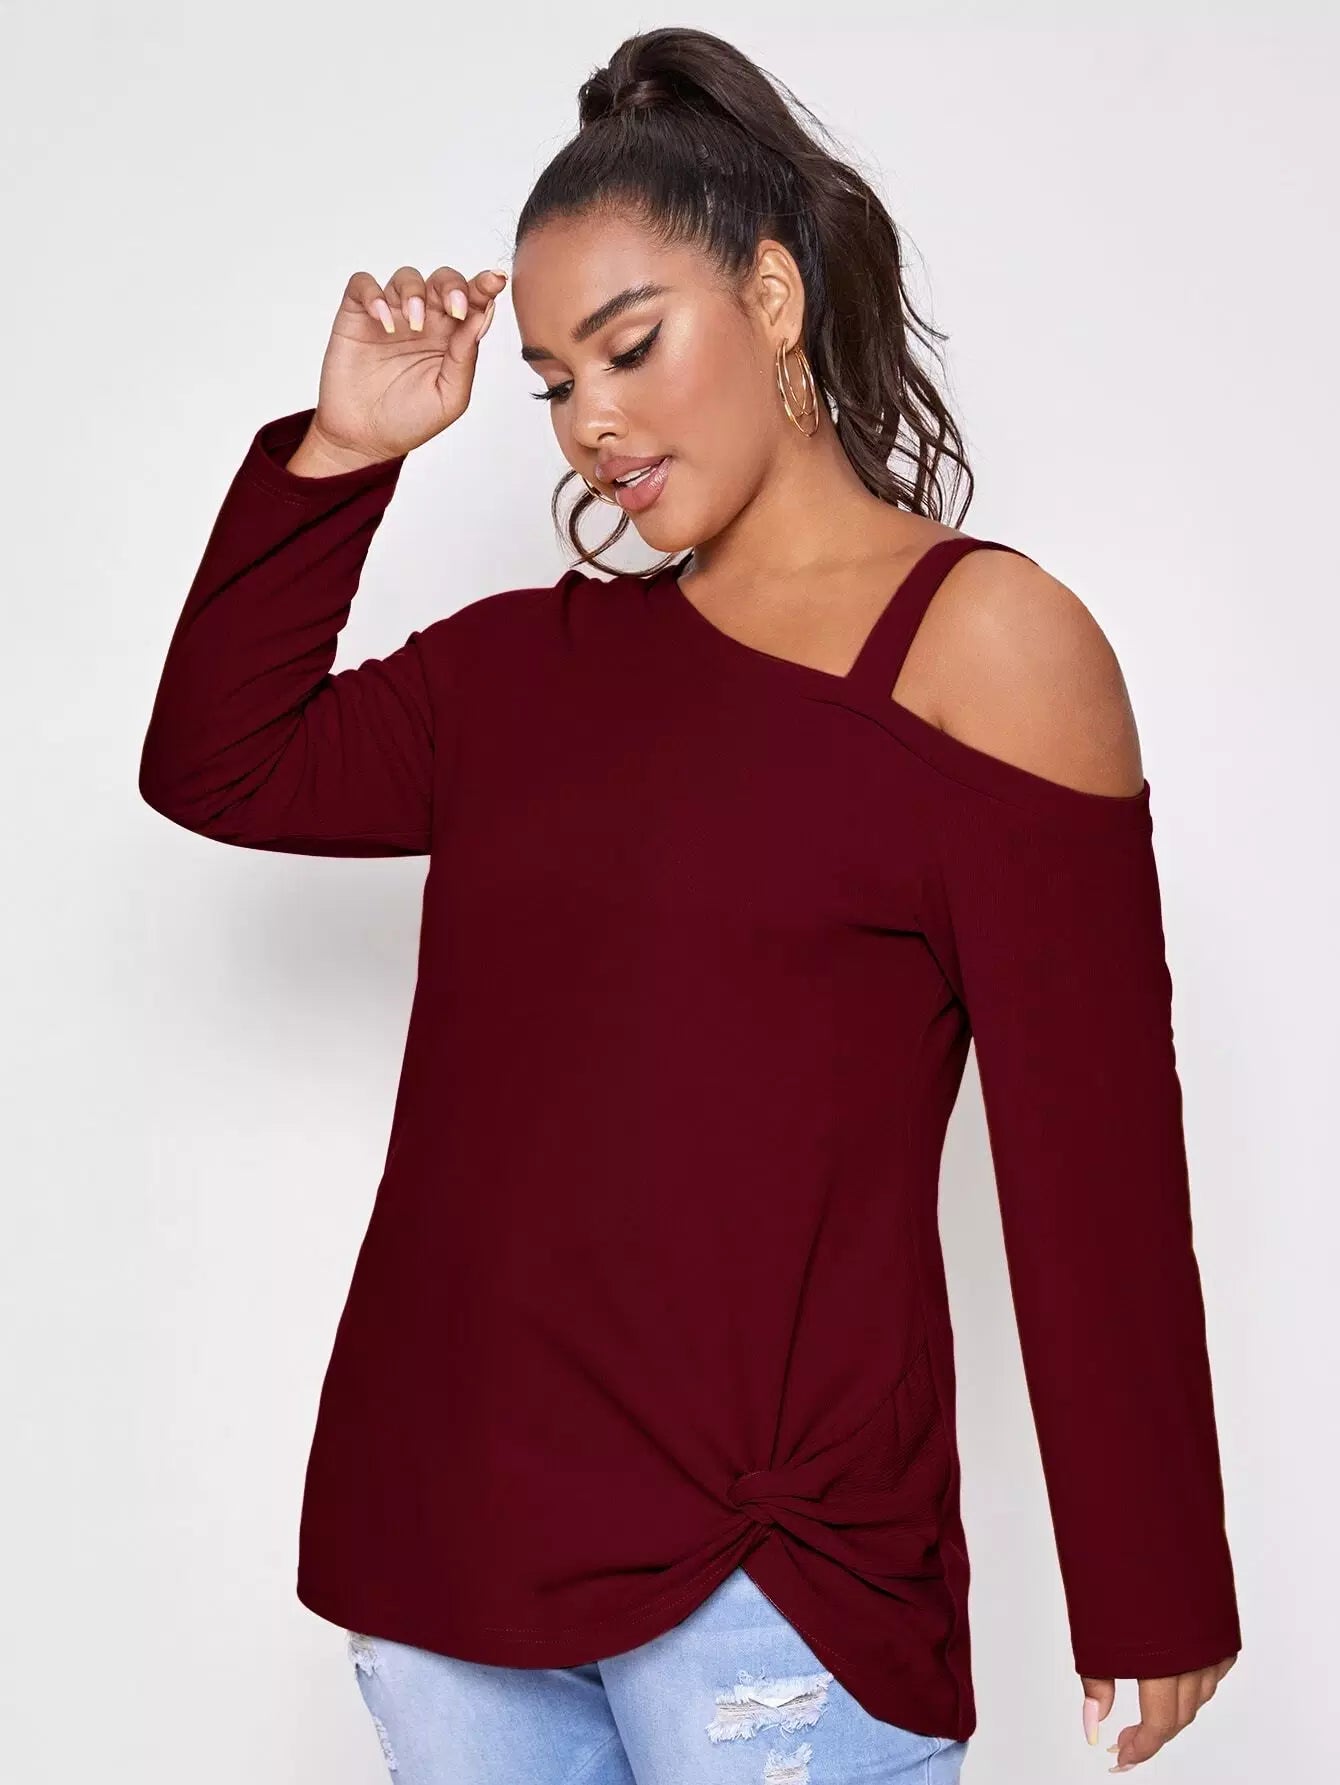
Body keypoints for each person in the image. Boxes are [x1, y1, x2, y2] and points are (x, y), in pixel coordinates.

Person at [138, 25, 1242, 1785]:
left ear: (776, 299)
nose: (595, 420)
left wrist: (1152, 1574)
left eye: (632, 345)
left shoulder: (984, 648)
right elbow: (221, 763)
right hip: (446, 1552)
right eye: (554, 381)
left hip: (768, 1583)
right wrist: (344, 450)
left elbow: (1091, 1150)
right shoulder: (522, 673)